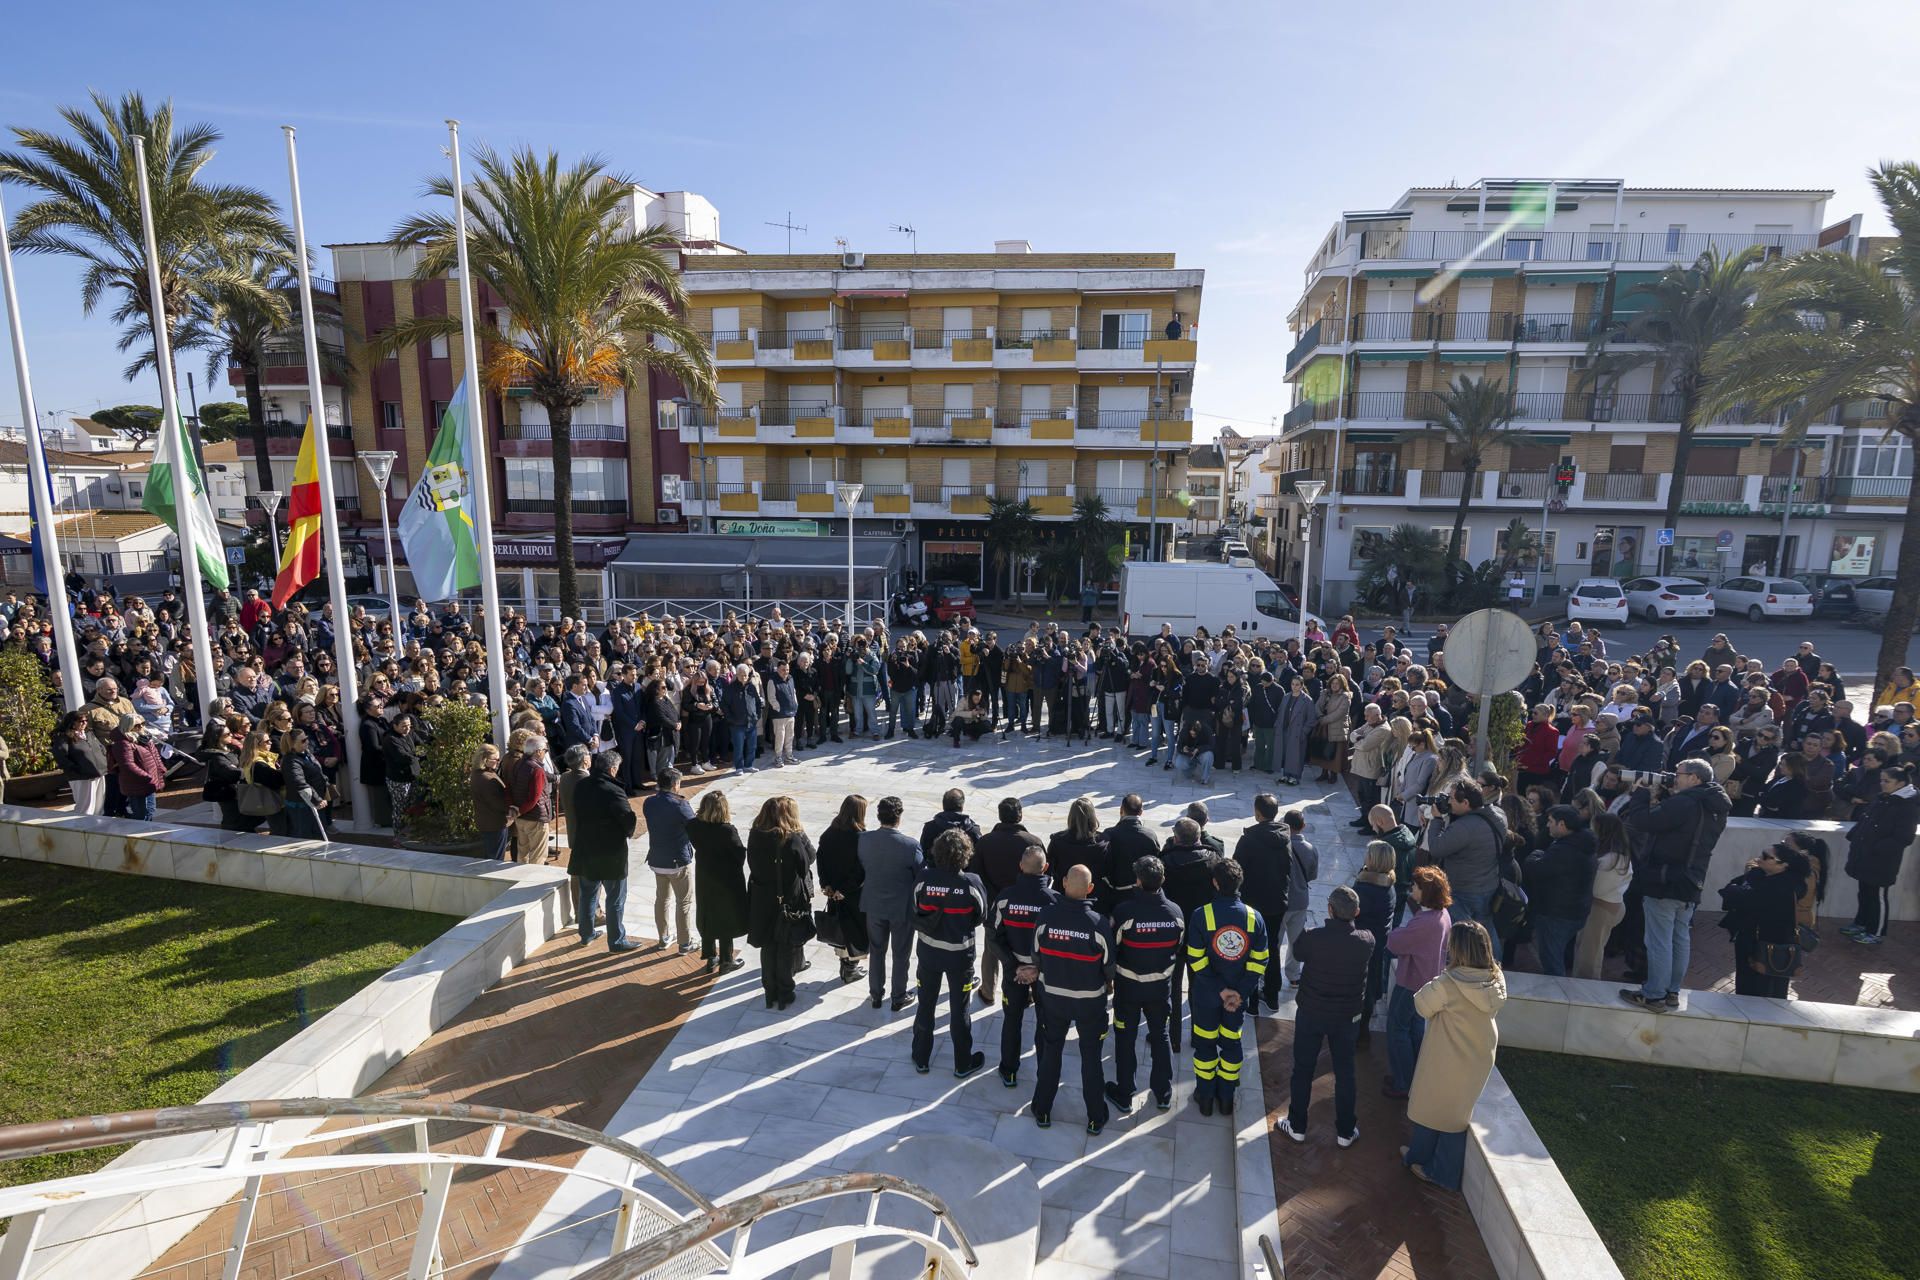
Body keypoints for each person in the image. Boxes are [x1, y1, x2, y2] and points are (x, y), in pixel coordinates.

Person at [1619, 759, 1731, 1011]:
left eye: (1679, 774)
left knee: (1658, 940)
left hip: (1665, 879)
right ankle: (1671, 992)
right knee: (1680, 938)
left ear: (1695, 778)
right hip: (1691, 880)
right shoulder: (1715, 805)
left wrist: (1639, 794)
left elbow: (1643, 821)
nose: (1673, 777)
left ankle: (1654, 995)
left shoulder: (1686, 803)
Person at [1402, 921, 1507, 1191]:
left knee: (1436, 1109)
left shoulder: (1448, 984)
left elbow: (1421, 1004)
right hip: (1479, 1052)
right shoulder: (1496, 977)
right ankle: (1418, 1156)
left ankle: (1442, 1174)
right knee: (1455, 1111)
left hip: (1447, 1054)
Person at [1277, 885, 1372, 1147]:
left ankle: (1297, 1126)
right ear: (1357, 912)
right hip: (1346, 1017)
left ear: (1329, 910)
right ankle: (1345, 1131)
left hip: (1312, 1013)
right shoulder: (1366, 941)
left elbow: (1298, 952)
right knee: (1345, 1072)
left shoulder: (1312, 937)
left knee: (1303, 1069)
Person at [1029, 864, 1114, 1134]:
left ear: (1064, 883)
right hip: (1090, 1002)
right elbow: (1109, 966)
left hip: (1053, 998)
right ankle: (1095, 1117)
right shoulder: (1099, 924)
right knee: (1091, 1059)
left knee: (1051, 1052)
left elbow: (1035, 955)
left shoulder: (1046, 916)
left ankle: (1042, 1110)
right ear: (1090, 889)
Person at [1183, 857, 1269, 1118]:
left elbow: (1196, 959)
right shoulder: (1255, 918)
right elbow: (1259, 960)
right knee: (1232, 1045)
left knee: (1205, 1045)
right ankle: (1226, 1098)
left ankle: (1206, 1097)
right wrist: (1239, 992)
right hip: (1236, 1001)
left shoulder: (1202, 915)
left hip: (1207, 997)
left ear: (1215, 883)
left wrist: (1220, 989)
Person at [1106, 853, 1184, 1115]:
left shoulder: (1125, 912)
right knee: (1160, 1036)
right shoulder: (1175, 913)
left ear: (1138, 880)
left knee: (1125, 1038)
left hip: (1128, 989)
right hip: (1160, 988)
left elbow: (1112, 947)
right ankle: (1163, 1092)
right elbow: (1177, 945)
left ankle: (1125, 1092)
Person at [909, 827, 990, 1076]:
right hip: (960, 956)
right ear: (965, 854)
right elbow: (981, 916)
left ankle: (921, 1057)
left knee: (926, 1004)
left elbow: (915, 906)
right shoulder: (971, 883)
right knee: (960, 1009)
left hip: (929, 953)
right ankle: (962, 1063)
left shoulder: (924, 878)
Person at [990, 845, 1059, 1087]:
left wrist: (1013, 965)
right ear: (1046, 869)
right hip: (1044, 975)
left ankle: (1009, 1069)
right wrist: (1038, 969)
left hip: (1014, 971)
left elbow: (993, 936)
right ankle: (1044, 1072)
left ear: (1021, 867)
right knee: (1045, 1022)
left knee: (1012, 1019)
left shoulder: (1005, 897)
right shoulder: (1055, 902)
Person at [1383, 866, 1451, 1100]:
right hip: (1427, 982)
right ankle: (1411, 1077)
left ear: (1426, 892)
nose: (1412, 888)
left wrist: (1399, 932)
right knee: (1413, 1029)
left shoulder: (1425, 922)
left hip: (1411, 983)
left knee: (1397, 1029)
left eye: (1416, 886)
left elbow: (1394, 942)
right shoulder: (1441, 915)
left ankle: (1403, 1082)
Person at [746, 795, 816, 1010]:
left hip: (761, 897)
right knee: (784, 945)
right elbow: (806, 863)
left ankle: (770, 992)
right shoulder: (792, 837)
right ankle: (785, 992)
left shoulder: (755, 835)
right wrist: (801, 836)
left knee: (767, 944)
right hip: (789, 898)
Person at [1423, 779, 1510, 951]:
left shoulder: (1465, 827)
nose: (1448, 802)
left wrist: (1437, 820)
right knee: (1486, 932)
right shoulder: (1499, 815)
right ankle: (1495, 965)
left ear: (1466, 803)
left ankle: (1465, 969)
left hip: (1464, 890)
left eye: (1452, 799)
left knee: (1462, 935)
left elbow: (1437, 848)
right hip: (1488, 885)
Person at [1718, 842, 1812, 997]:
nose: (1759, 858)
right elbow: (1734, 888)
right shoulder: (1759, 875)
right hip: (1750, 939)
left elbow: (1743, 897)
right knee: (1748, 983)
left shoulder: (1784, 887)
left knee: (1764, 988)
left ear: (1783, 865)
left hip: (1769, 943)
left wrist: (1738, 890)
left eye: (1766, 857)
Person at [860, 795, 924, 1011]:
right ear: (899, 817)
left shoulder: (864, 840)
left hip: (874, 904)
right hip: (901, 908)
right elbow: (919, 875)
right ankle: (898, 996)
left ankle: (876, 994)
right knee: (901, 953)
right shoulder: (910, 846)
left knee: (876, 950)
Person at [570, 751, 639, 953]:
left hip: (586, 847)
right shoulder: (614, 791)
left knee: (588, 894)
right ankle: (616, 940)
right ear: (612, 769)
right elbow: (627, 820)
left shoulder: (581, 785)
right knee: (615, 898)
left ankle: (586, 933)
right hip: (610, 852)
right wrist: (629, 829)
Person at [1842, 765, 1917, 946]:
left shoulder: (1908, 806)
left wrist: (1876, 848)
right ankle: (1861, 923)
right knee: (1865, 893)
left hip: (1883, 861)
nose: (1882, 784)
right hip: (1866, 856)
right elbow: (1866, 820)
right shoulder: (1883, 798)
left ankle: (1876, 932)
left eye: (1887, 781)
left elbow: (1904, 837)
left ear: (1900, 783)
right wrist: (1855, 835)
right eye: (1881, 780)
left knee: (1878, 896)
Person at [1230, 793, 1290, 1012]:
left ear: (1257, 813)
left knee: (1248, 950)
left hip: (1252, 904)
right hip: (1276, 902)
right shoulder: (1286, 838)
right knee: (1271, 948)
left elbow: (1236, 870)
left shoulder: (1249, 839)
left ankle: (1251, 1000)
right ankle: (1272, 995)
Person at [1523, 805, 1596, 977]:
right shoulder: (1581, 844)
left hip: (1557, 914)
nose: (1547, 825)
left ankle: (1556, 996)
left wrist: (1535, 854)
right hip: (1574, 911)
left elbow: (1536, 868)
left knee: (1552, 960)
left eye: (1550, 822)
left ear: (1562, 824)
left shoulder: (1565, 850)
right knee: (1557, 955)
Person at [686, 789, 748, 972]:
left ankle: (711, 957)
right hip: (726, 879)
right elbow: (739, 855)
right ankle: (726, 960)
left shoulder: (693, 826)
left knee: (708, 913)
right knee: (725, 917)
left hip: (705, 875)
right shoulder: (727, 830)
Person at [816, 794, 871, 985]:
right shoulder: (860, 837)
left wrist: (827, 885)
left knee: (841, 928)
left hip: (834, 892)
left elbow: (820, 861)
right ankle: (850, 969)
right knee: (854, 930)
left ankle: (846, 965)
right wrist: (845, 890)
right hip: (853, 895)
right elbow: (860, 870)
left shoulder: (829, 833)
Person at [642, 769, 697, 954]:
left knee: (662, 899)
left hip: (657, 859)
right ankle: (685, 942)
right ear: (675, 785)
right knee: (684, 902)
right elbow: (695, 827)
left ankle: (664, 937)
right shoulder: (680, 804)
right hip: (677, 860)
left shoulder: (649, 802)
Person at [1574, 812, 1633, 980]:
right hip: (1606, 906)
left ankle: (1586, 992)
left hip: (1601, 908)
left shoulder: (1610, 860)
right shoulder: (1617, 856)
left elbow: (1598, 889)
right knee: (1585, 948)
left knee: (1589, 955)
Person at [1352, 841, 1396, 1046]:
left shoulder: (1365, 889)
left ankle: (1358, 1033)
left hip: (1361, 946)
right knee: (1369, 989)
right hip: (1378, 944)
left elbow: (1351, 910)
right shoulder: (1388, 884)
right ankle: (1363, 1031)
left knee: (1360, 990)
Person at [1279, 809, 1318, 985]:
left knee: (1274, 941)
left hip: (1280, 900)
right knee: (1296, 940)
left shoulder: (1279, 846)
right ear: (1303, 826)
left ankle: (1266, 975)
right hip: (1300, 900)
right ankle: (1294, 976)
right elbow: (1312, 875)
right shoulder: (1310, 849)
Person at [1102, 793, 1161, 908]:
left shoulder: (1109, 834)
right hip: (1143, 895)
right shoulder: (1150, 836)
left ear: (1121, 810)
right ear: (1141, 812)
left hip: (1115, 894)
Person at [507, 735, 555, 864]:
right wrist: (520, 811)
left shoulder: (518, 764)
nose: (545, 752)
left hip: (521, 817)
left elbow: (510, 787)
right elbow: (534, 798)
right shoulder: (537, 770)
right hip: (536, 817)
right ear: (538, 751)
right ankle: (533, 879)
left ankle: (521, 877)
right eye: (545, 750)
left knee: (523, 852)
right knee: (538, 855)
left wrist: (516, 810)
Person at [109, 713, 165, 822]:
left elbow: (155, 755)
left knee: (150, 811)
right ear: (128, 726)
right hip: (137, 784)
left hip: (149, 781)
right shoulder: (122, 743)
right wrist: (147, 777)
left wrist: (161, 769)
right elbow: (127, 765)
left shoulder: (144, 738)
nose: (141, 727)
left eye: (142, 724)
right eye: (137, 725)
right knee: (141, 814)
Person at [52, 710, 108, 816]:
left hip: (99, 772)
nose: (84, 723)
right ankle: (83, 825)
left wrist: (104, 760)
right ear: (72, 722)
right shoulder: (64, 737)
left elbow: (100, 748)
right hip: (81, 776)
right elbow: (60, 756)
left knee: (99, 804)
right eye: (81, 721)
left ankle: (99, 824)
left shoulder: (89, 733)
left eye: (86, 720)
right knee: (85, 807)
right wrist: (75, 768)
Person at [1046, 797, 1108, 887]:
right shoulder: (1103, 842)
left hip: (1062, 893)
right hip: (1093, 894)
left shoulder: (1057, 840)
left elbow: (1048, 870)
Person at [469, 743, 512, 860]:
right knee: (495, 858)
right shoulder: (487, 779)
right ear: (485, 759)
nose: (498, 762)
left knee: (492, 855)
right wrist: (512, 812)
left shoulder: (477, 774)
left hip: (486, 822)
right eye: (496, 759)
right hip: (495, 824)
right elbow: (497, 803)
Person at [200, 721, 245, 831]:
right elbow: (231, 772)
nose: (231, 736)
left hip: (237, 789)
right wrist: (244, 771)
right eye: (227, 734)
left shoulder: (232, 749)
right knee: (231, 818)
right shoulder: (216, 756)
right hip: (226, 791)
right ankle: (228, 841)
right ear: (218, 738)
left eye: (230, 733)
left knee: (239, 817)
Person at [920, 787, 983, 856]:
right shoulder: (973, 830)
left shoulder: (929, 828)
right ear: (962, 806)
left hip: (935, 866)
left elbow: (923, 852)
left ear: (943, 805)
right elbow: (980, 855)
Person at [1174, 715, 1215, 785]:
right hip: (1189, 754)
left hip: (1201, 753)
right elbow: (1179, 747)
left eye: (1194, 734)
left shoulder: (1206, 729)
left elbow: (1212, 745)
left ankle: (1205, 778)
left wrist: (1198, 749)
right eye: (1191, 734)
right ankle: (1190, 771)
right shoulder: (1184, 731)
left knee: (1208, 756)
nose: (1193, 735)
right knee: (1178, 762)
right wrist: (1183, 749)